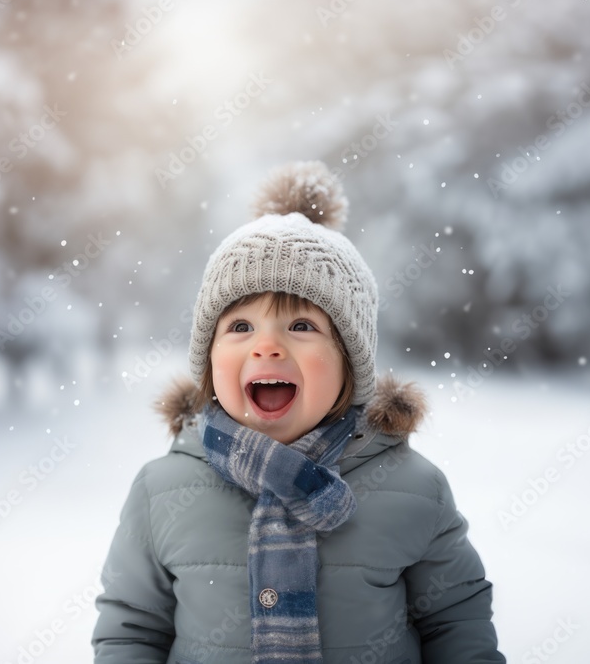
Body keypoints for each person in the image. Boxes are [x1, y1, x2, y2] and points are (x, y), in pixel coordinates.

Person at [91, 161, 506, 663]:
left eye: (302, 327)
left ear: (350, 363)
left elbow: (456, 621)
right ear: (209, 362)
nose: (266, 347)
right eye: (241, 327)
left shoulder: (413, 488)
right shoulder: (162, 492)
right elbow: (131, 630)